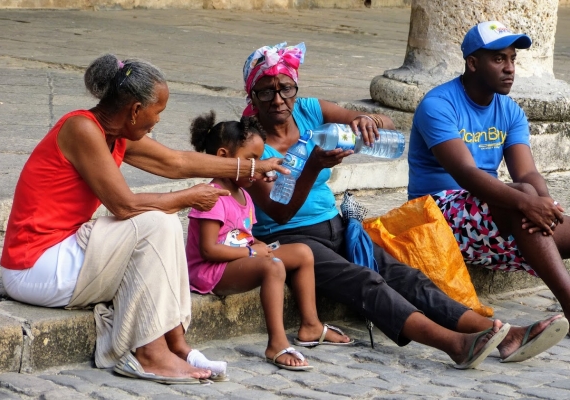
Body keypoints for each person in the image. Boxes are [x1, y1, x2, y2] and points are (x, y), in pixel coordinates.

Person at [242, 41, 568, 369]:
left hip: (335, 225)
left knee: (407, 277)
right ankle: (455, 344)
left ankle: (504, 334)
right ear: (251, 96)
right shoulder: (248, 142)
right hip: (291, 238)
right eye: (266, 92)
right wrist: (313, 165)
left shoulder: (309, 110)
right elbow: (280, 212)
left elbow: (387, 125)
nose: (279, 100)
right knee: (365, 282)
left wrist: (367, 120)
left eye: (286, 88)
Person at [0, 54, 287, 385]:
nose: (158, 120)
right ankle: (150, 353)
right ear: (135, 110)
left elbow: (176, 162)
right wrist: (186, 198)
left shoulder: (116, 133)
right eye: (158, 111)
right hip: (32, 268)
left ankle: (174, 342)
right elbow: (123, 205)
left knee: (159, 223)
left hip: (62, 257)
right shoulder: (81, 128)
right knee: (157, 223)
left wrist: (252, 168)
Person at [408, 21, 570, 321]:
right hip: (432, 214)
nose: (509, 68)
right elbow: (466, 173)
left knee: (538, 200)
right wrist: (527, 202)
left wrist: (546, 206)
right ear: (472, 63)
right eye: (498, 59)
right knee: (523, 196)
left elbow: (527, 174)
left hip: (487, 212)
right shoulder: (438, 104)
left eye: (512, 59)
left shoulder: (510, 111)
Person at [186, 111, 353, 371]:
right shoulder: (212, 196)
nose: (258, 167)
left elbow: (241, 236)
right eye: (251, 159)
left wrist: (255, 248)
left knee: (302, 253)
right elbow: (208, 250)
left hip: (239, 258)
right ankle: (276, 343)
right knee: (273, 266)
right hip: (211, 272)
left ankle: (311, 326)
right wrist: (252, 254)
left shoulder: (243, 194)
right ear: (223, 158)